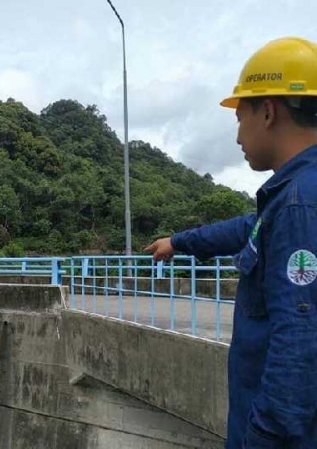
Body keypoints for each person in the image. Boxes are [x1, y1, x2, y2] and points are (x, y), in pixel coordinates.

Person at [144, 37, 317, 448]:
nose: (238, 134)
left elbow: (301, 336)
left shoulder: (299, 205)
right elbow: (247, 229)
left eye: (240, 116)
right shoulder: (292, 198)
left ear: (269, 111)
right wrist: (179, 242)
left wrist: (263, 436)